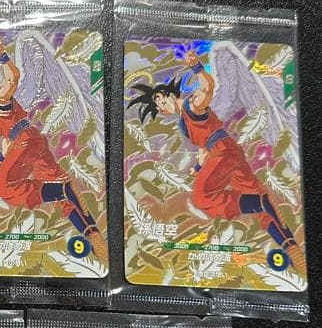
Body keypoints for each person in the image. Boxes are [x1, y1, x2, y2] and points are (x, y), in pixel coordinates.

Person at [127, 49, 305, 272]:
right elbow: (203, 148)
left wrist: (196, 66)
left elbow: (207, 87)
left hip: (223, 152)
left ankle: (260, 203)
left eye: (161, 101)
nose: (162, 108)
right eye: (159, 108)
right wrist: (198, 167)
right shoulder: (184, 121)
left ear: (168, 94)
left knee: (202, 197)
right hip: (227, 153)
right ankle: (290, 246)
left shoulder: (192, 105)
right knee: (259, 206)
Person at [0, 36, 107, 259]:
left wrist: (2, 57)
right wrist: (0, 158)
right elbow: (7, 140)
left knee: (5, 187)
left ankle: (62, 191)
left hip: (26, 142)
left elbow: (13, 78)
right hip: (31, 142)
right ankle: (91, 232)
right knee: (61, 195)